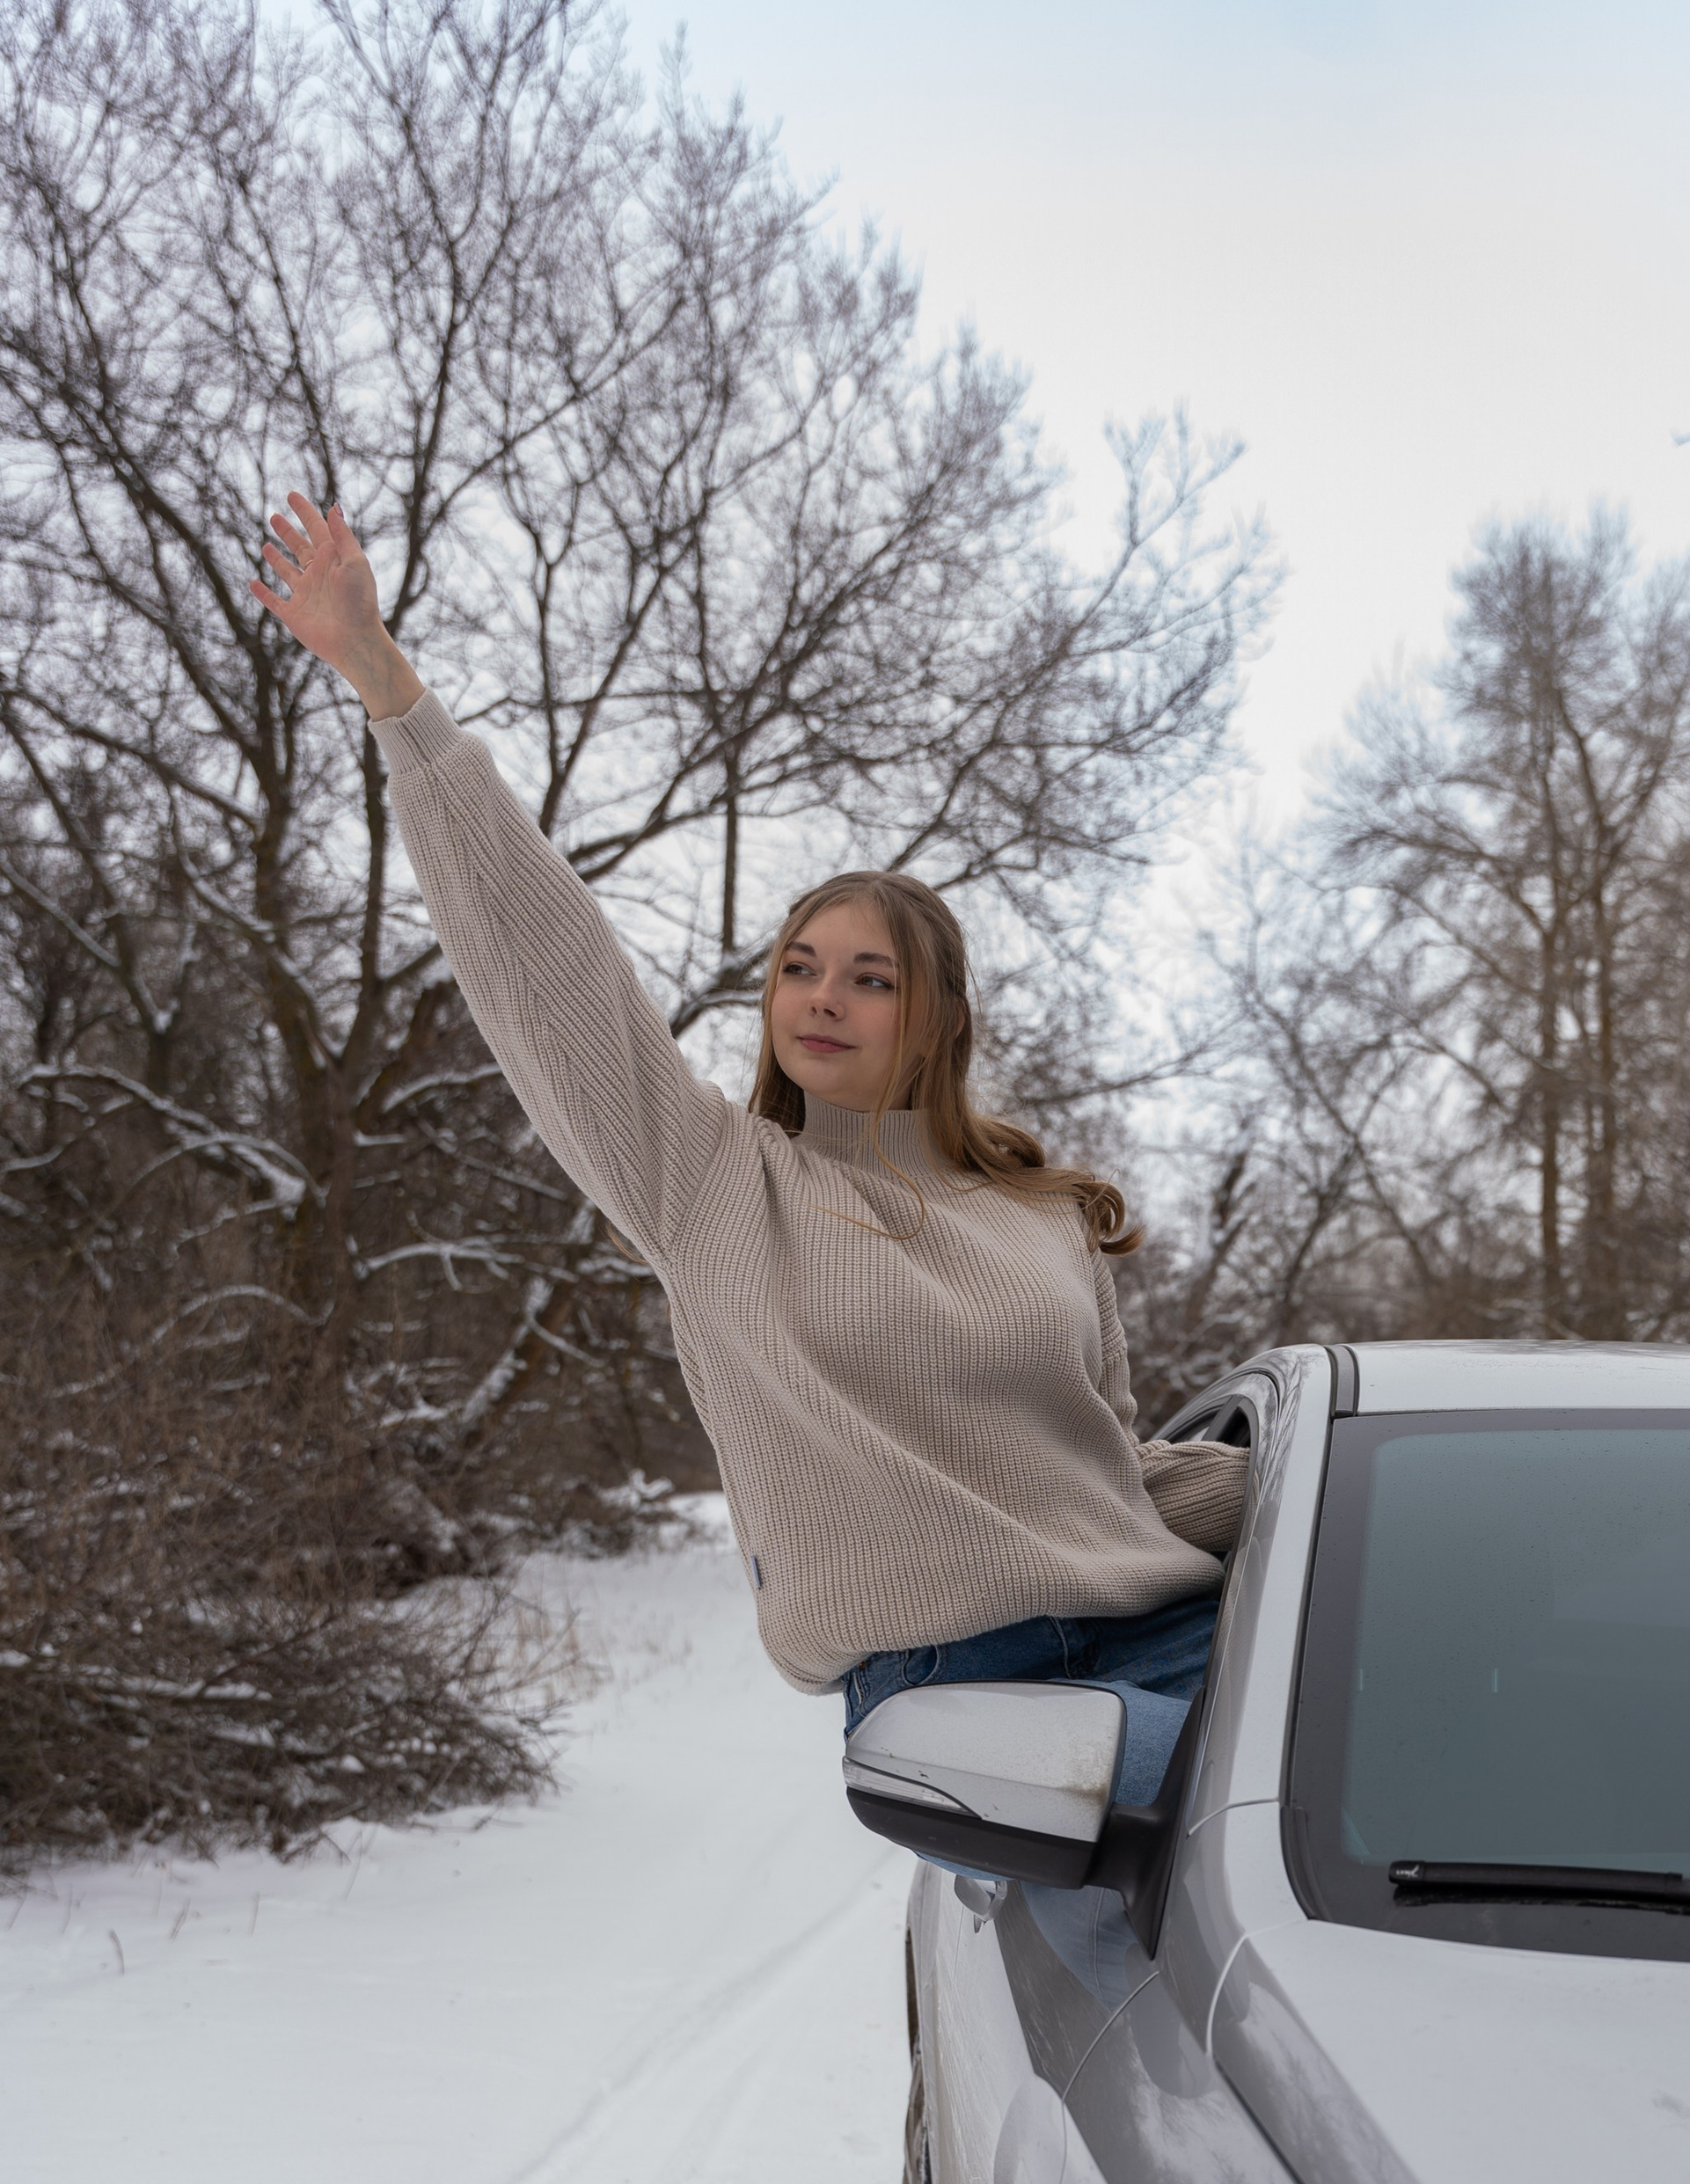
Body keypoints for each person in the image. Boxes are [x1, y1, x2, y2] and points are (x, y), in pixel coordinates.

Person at [249, 494, 1247, 1822]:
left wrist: (1355, 1476)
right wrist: (390, 689)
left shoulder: (1042, 1215)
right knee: (1248, 1857)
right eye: (800, 968)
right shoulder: (717, 1183)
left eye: (871, 977)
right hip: (966, 1701)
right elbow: (551, 971)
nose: (822, 996)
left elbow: (1104, 1470)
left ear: (941, 1018)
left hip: (1173, 1639)